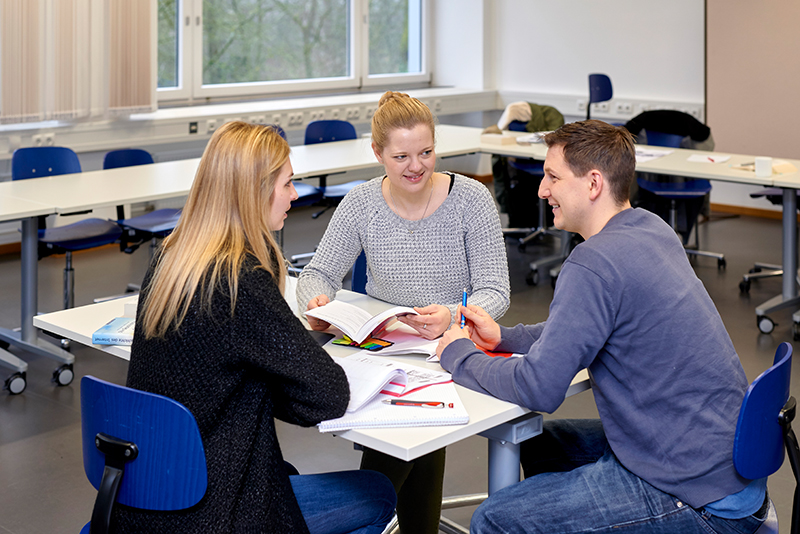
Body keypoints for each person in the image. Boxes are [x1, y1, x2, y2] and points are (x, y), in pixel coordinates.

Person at [437, 120, 768, 534]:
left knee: (494, 519)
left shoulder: (593, 263)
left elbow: (539, 387)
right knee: (542, 444)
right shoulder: (650, 227)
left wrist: (459, 355)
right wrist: (505, 338)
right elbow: (581, 326)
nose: (542, 190)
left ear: (593, 183)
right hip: (722, 462)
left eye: (553, 177)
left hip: (701, 499)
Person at [121, 121, 396, 534]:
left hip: (146, 496)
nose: (295, 194)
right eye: (287, 183)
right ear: (254, 190)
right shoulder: (239, 280)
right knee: (377, 493)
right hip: (213, 511)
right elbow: (328, 396)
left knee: (285, 467)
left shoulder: (171, 259)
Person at [297, 91, 510, 534]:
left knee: (414, 432)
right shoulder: (361, 204)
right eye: (401, 156)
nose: (416, 166)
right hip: (383, 348)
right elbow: (316, 274)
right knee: (413, 431)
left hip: (451, 347)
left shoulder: (471, 199)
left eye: (426, 152)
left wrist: (454, 314)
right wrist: (318, 302)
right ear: (377, 153)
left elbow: (496, 291)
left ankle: (366, 514)